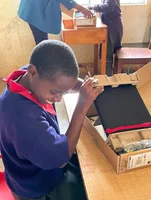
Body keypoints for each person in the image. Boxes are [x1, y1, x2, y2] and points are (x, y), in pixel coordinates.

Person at [0, 40, 104, 200]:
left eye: (64, 92)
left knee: (88, 163)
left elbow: (63, 81)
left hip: (25, 170)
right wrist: (82, 105)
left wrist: (85, 87)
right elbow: (60, 160)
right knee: (91, 189)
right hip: (34, 186)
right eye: (54, 92)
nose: (58, 98)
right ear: (33, 72)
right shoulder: (24, 118)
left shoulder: (25, 76)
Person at [18, 0, 93, 45]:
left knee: (42, 44)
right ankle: (41, 69)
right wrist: (82, 9)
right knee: (42, 45)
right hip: (35, 10)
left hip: (32, 8)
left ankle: (42, 68)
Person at [88, 0, 123, 76]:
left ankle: (108, 79)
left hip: (112, 26)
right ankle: (108, 77)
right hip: (111, 25)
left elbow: (109, 7)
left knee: (107, 54)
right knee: (107, 53)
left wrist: (94, 7)